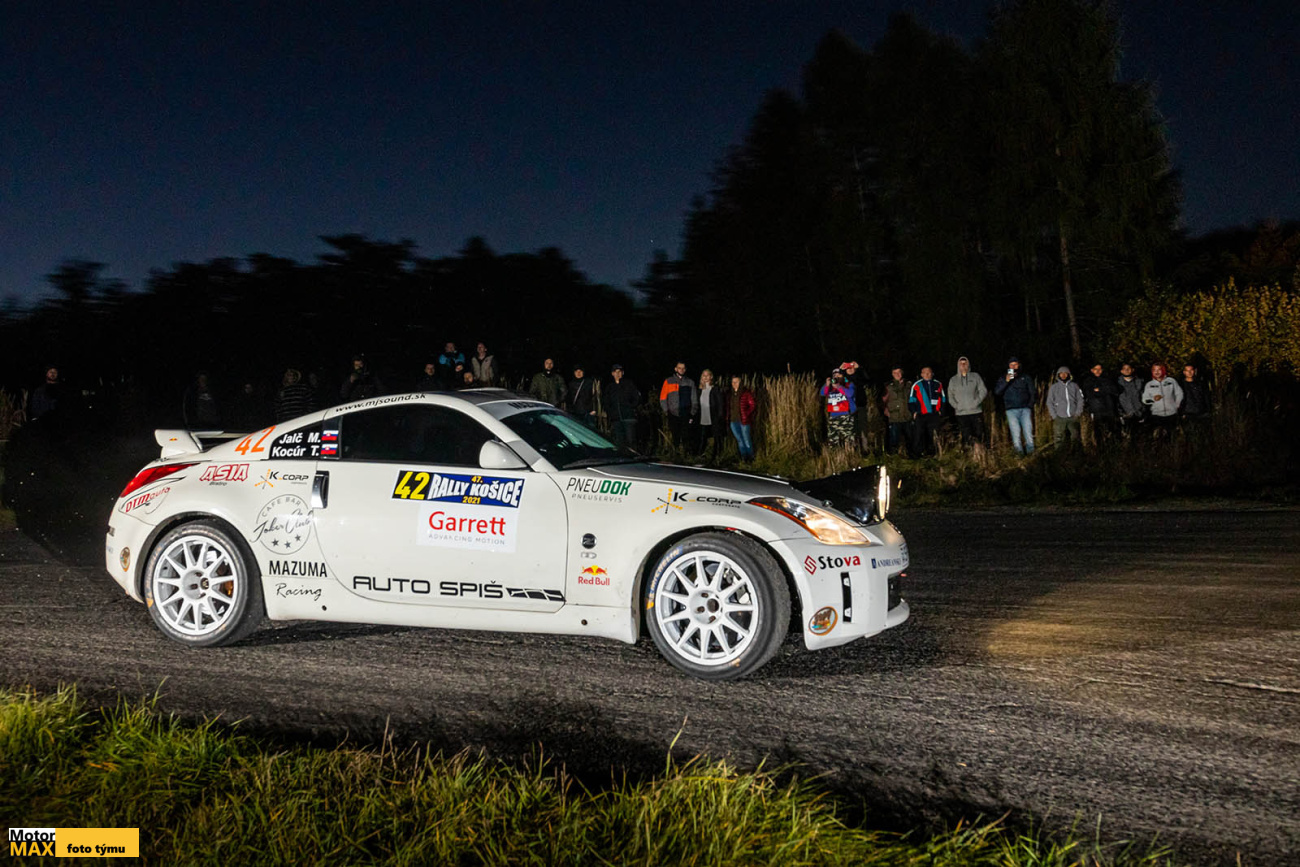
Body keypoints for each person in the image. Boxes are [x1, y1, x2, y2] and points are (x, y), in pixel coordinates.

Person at [994, 356, 1036, 456]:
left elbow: (1032, 392)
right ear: (1008, 366)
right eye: (1011, 365)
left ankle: (1031, 454)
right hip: (1011, 410)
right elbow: (997, 392)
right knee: (1015, 434)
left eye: (1015, 364)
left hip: (1025, 409)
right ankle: (1019, 455)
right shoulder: (1003, 378)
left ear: (1019, 365)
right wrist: (1006, 381)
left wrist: (1029, 405)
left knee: (1028, 433)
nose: (1013, 367)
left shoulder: (1025, 377)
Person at [947, 356, 988, 445]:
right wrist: (957, 406)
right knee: (966, 435)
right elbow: (950, 396)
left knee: (980, 434)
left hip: (975, 411)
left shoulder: (975, 376)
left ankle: (981, 451)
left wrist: (976, 402)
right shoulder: (953, 380)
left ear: (968, 365)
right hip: (961, 413)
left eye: (965, 363)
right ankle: (969, 451)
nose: (963, 365)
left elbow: (983, 390)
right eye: (961, 364)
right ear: (958, 365)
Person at [659, 362, 698, 450]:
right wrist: (666, 411)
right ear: (676, 369)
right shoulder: (668, 381)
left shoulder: (690, 382)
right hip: (673, 413)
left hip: (686, 412)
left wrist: (692, 412)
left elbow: (694, 399)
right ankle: (675, 452)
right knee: (675, 435)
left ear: (685, 369)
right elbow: (663, 398)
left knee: (686, 436)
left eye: (683, 368)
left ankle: (686, 453)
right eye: (679, 368)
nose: (681, 370)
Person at [907, 366, 945, 456]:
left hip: (934, 414)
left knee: (933, 434)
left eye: (929, 373)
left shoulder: (938, 384)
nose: (927, 375)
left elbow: (943, 398)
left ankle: (933, 453)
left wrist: (941, 411)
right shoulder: (917, 385)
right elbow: (911, 400)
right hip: (921, 414)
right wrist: (914, 412)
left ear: (932, 374)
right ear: (922, 374)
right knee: (919, 434)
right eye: (925, 373)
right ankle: (917, 454)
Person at [1080, 363, 1121, 445]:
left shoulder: (1107, 379)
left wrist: (1100, 390)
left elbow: (1115, 390)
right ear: (1092, 370)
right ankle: (1100, 448)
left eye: (1100, 369)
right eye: (1096, 369)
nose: (1098, 371)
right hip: (1096, 410)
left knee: (1112, 430)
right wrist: (1105, 390)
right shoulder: (1088, 381)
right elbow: (1090, 393)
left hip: (1109, 409)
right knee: (1098, 431)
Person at [1047, 366, 1085, 448]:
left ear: (1069, 375)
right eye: (1061, 373)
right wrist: (1054, 415)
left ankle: (1076, 453)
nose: (1063, 375)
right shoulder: (1054, 387)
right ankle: (1059, 453)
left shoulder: (1074, 386)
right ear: (1058, 375)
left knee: (1075, 437)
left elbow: (1080, 400)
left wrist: (1077, 413)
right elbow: (1049, 402)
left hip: (1073, 416)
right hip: (1059, 417)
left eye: (1065, 373)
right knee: (1058, 438)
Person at [605, 364, 641, 450]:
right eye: (615, 372)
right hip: (616, 418)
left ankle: (633, 456)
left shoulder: (629, 384)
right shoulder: (610, 387)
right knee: (619, 441)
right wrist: (610, 413)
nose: (617, 374)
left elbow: (637, 397)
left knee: (631, 440)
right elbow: (606, 401)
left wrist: (631, 407)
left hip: (629, 417)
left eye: (619, 372)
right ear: (612, 373)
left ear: (622, 373)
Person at [1142, 362, 1183, 437]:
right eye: (1154, 370)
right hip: (1157, 415)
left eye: (1159, 370)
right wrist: (1153, 399)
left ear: (1163, 370)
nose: (1157, 372)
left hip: (1172, 414)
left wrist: (1176, 405)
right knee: (1158, 437)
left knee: (1172, 436)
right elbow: (1145, 399)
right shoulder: (1149, 384)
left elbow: (1179, 393)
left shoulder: (1171, 381)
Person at [881, 366, 913, 457]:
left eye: (899, 372)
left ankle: (911, 455)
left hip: (907, 415)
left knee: (910, 437)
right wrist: (885, 410)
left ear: (902, 373)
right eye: (895, 373)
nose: (897, 374)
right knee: (893, 438)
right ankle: (892, 456)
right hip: (894, 416)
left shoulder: (909, 384)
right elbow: (882, 400)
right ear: (892, 374)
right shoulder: (887, 386)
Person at [821, 368, 857, 448]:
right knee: (832, 439)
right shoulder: (831, 385)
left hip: (846, 415)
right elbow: (823, 393)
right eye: (834, 375)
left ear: (842, 376)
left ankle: (850, 453)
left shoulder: (848, 384)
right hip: (833, 416)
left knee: (849, 438)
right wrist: (827, 385)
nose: (836, 377)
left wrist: (839, 387)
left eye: (838, 375)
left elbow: (850, 394)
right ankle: (834, 453)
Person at [725, 375, 757, 460]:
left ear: (740, 383)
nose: (734, 384)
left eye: (736, 382)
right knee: (739, 439)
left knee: (746, 439)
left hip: (743, 420)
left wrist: (746, 413)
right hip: (733, 420)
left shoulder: (745, 393)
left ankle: (751, 457)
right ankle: (744, 457)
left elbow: (752, 405)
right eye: (733, 382)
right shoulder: (730, 394)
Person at [697, 369, 723, 457]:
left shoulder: (715, 389)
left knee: (716, 437)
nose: (705, 377)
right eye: (704, 375)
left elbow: (720, 403)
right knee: (703, 436)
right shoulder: (700, 389)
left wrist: (719, 416)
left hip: (713, 416)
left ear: (711, 377)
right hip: (703, 416)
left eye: (707, 375)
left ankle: (717, 455)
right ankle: (700, 453)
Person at [1179, 364, 1211, 434]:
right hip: (1187, 414)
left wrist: (1208, 410)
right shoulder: (1180, 385)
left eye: (1191, 370)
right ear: (1184, 372)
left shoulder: (1201, 384)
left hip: (1201, 413)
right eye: (1187, 371)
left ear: (1194, 371)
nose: (1189, 372)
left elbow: (1206, 397)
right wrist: (1181, 413)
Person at [1116, 362, 1145, 437]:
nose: (1126, 370)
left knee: (1140, 436)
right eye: (1124, 369)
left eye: (1128, 368)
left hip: (1138, 414)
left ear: (1132, 370)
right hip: (1126, 415)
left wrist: (1142, 410)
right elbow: (1116, 400)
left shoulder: (1139, 382)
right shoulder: (1117, 384)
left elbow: (1143, 396)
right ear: (1121, 371)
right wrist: (1121, 413)